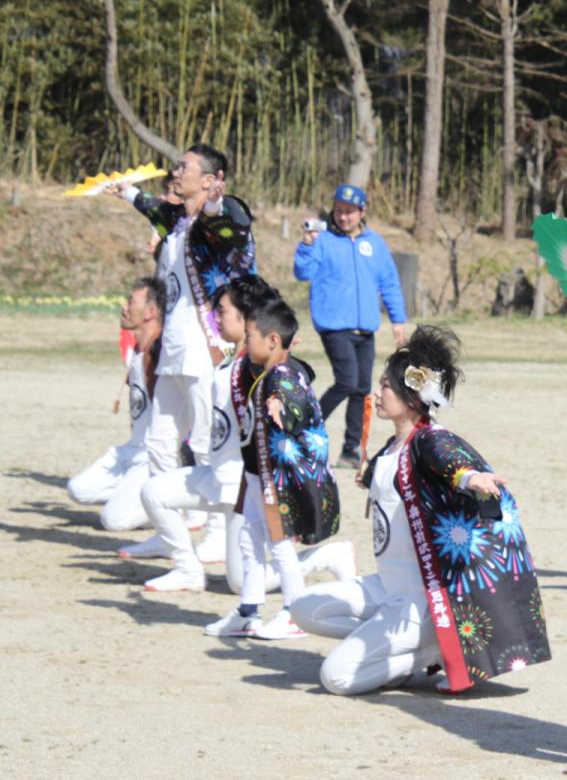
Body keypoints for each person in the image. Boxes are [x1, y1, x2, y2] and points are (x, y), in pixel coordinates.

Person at [291, 326, 551, 695]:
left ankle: (434, 650)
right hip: (386, 588)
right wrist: (370, 475)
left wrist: (470, 478)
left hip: (421, 600)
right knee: (304, 608)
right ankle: (399, 649)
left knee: (336, 677)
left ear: (413, 397)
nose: (377, 392)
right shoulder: (393, 445)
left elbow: (447, 460)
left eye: (385, 386)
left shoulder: (431, 439)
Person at [139, 277, 355, 592]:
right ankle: (187, 569)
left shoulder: (257, 366)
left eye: (222, 311)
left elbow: (293, 379)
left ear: (246, 317)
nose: (215, 318)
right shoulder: (233, 358)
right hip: (218, 476)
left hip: (246, 484)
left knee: (241, 582)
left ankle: (328, 556)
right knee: (154, 492)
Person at [112, 143, 256, 563]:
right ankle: (168, 533)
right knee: (159, 442)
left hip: (205, 345)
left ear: (210, 179)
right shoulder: (176, 219)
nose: (175, 171)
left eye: (184, 167)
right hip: (174, 346)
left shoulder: (222, 218)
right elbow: (154, 208)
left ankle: (218, 533)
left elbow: (230, 227)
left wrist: (213, 205)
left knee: (210, 442)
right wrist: (126, 192)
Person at [204, 299, 340, 639]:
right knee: (250, 540)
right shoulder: (268, 370)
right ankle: (248, 612)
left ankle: (294, 612)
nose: (246, 343)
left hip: (275, 479)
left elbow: (292, 400)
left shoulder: (282, 376)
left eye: (250, 336)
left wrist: (282, 405)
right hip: (256, 474)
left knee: (278, 543)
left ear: (273, 340)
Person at [293, 184, 408, 469]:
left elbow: (389, 283)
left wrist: (397, 320)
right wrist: (307, 245)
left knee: (361, 388)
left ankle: (350, 450)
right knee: (346, 381)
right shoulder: (323, 240)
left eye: (349, 212)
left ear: (362, 211)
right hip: (334, 325)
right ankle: (303, 430)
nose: (343, 217)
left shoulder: (375, 243)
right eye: (339, 211)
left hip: (365, 327)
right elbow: (303, 272)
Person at [68, 278, 164, 531]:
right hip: (130, 451)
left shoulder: (159, 354)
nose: (124, 307)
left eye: (131, 302)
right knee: (78, 490)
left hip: (151, 458)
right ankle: (137, 496)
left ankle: (176, 509)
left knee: (113, 520)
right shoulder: (137, 352)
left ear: (150, 312)